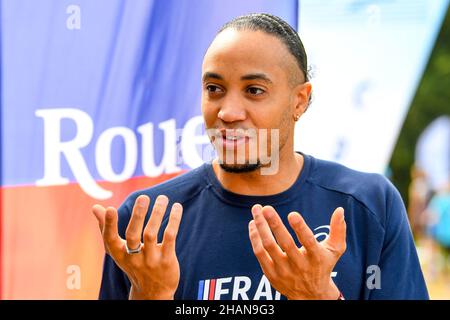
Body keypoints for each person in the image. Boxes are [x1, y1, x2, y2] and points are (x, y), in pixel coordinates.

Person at [92, 13, 429, 300]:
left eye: (254, 91)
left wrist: (321, 295)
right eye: (214, 89)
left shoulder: (368, 204)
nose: (228, 111)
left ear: (300, 101)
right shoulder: (148, 224)